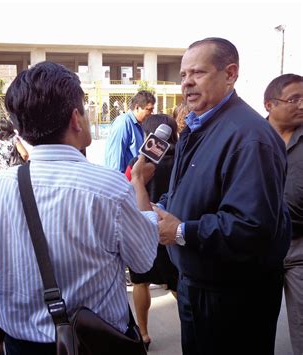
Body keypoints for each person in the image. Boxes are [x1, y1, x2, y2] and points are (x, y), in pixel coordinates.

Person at [0, 61, 159, 355]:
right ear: (75, 119)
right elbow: (144, 262)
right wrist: (141, 194)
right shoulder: (109, 188)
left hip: (20, 347)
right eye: (85, 108)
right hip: (94, 344)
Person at [154, 37, 291, 355]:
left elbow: (251, 227)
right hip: (198, 284)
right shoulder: (200, 126)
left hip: (232, 296)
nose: (187, 82)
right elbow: (195, 190)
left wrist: (180, 230)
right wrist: (163, 206)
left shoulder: (249, 136)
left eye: (197, 73)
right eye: (184, 74)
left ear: (230, 74)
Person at [124, 114, 179, 351]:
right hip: (172, 229)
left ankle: (144, 333)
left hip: (142, 229)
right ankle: (192, 323)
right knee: (177, 282)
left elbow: (125, 191)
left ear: (148, 136)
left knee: (141, 282)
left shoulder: (138, 163)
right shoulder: (181, 160)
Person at [264, 73, 303, 355]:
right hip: (258, 249)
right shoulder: (251, 136)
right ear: (270, 104)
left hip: (300, 249)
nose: (302, 105)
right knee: (253, 323)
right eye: (294, 99)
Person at [104, 90, 156, 172]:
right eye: (149, 109)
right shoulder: (123, 123)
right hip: (123, 181)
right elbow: (114, 163)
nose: (152, 113)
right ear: (137, 107)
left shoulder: (140, 124)